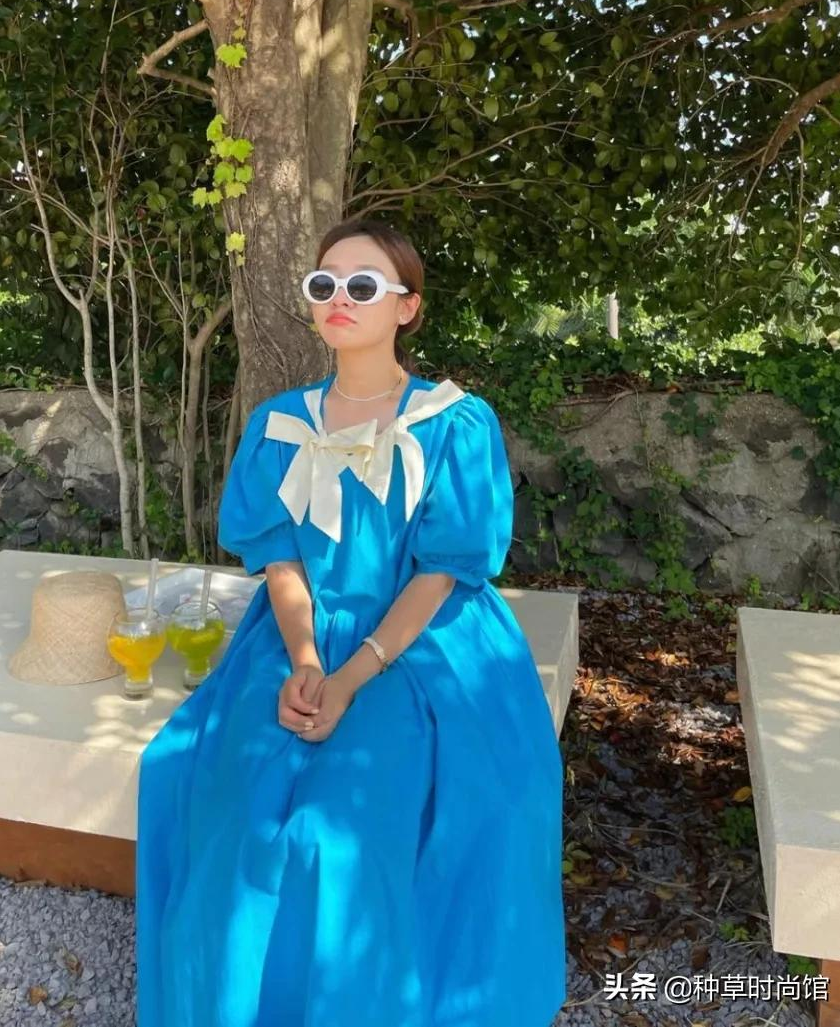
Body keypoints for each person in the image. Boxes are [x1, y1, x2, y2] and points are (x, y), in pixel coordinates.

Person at [135, 217, 566, 1027]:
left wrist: (352, 674)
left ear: (407, 306)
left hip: (423, 639)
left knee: (353, 827)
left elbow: (440, 572)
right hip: (298, 633)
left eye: (362, 284)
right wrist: (305, 659)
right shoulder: (279, 424)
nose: (339, 297)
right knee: (211, 789)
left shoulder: (454, 423)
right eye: (324, 283)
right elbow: (284, 565)